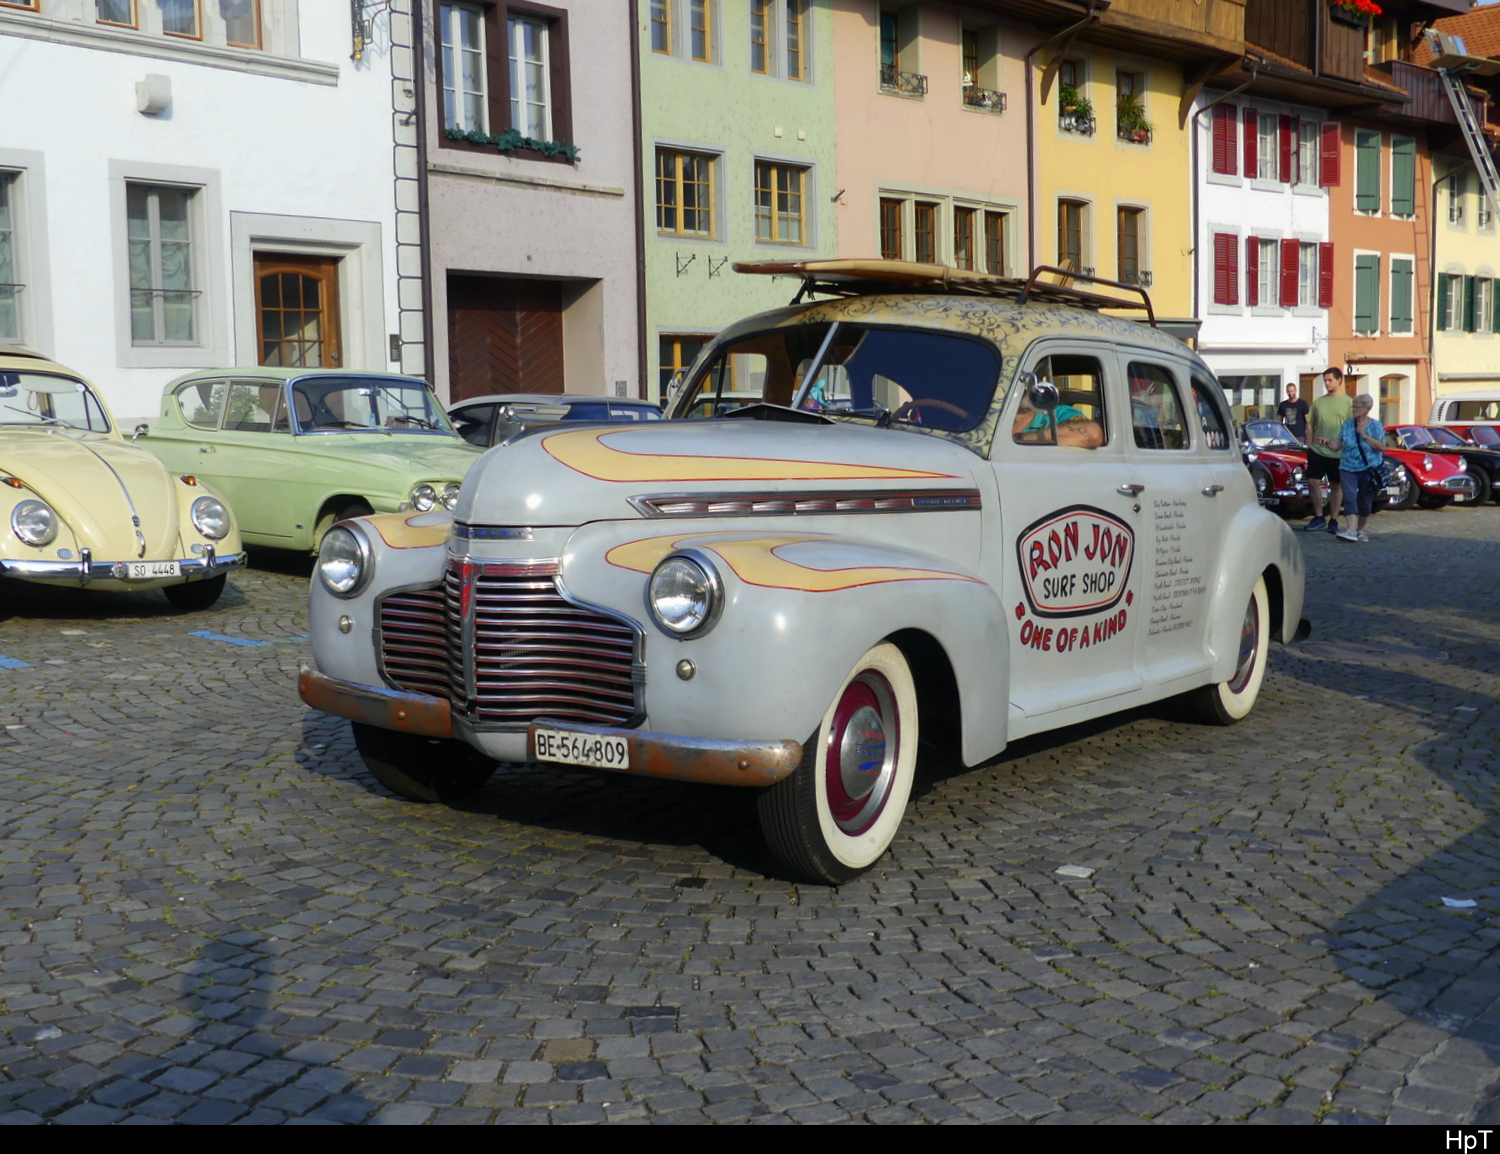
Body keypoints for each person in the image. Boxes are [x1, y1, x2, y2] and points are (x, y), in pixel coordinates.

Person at [1304, 367, 1352, 533]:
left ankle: (1333, 519)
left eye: (1330, 380)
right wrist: (1309, 446)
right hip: (1317, 450)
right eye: (1325, 380)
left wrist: (1344, 445)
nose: (1327, 383)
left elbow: (1350, 428)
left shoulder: (1348, 403)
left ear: (1339, 380)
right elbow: (1310, 424)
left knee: (1336, 486)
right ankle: (1318, 517)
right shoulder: (1318, 403)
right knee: (1313, 482)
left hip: (1338, 451)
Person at [1335, 394, 1385, 543]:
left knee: (1364, 501)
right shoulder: (1347, 424)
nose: (1354, 410)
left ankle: (1361, 530)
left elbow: (1382, 447)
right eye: (1353, 406)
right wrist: (1328, 444)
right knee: (1350, 496)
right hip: (1347, 466)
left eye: (1357, 407)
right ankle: (1350, 529)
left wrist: (1365, 436)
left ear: (1367, 409)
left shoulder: (1375, 426)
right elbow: (1338, 445)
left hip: (1368, 468)